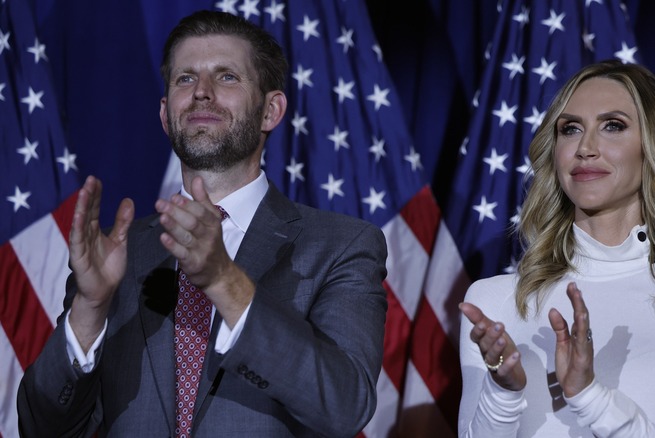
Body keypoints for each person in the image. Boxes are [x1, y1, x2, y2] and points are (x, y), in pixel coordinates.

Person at [18, 10, 388, 438]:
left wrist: (223, 279)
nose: (202, 93)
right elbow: (40, 428)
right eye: (185, 79)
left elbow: (345, 407)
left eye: (227, 77)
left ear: (271, 110)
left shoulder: (342, 245)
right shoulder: (120, 254)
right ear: (164, 113)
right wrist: (89, 309)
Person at [458, 60, 655, 437]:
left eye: (612, 126)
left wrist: (591, 398)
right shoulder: (495, 300)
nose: (585, 147)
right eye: (570, 129)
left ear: (653, 147)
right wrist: (504, 392)